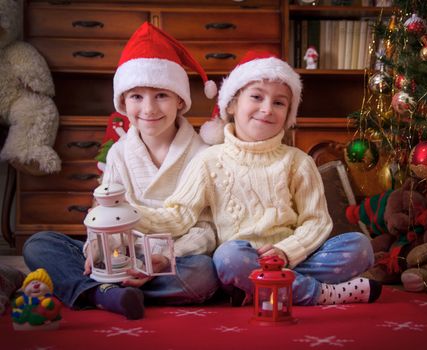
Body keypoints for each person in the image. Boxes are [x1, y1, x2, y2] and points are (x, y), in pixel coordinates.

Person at [133, 50, 380, 306]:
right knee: (226, 257)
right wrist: (132, 215)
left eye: (279, 102)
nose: (266, 109)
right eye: (256, 97)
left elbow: (316, 221)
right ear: (231, 104)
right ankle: (320, 294)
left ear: (288, 113)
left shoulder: (298, 162)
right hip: (244, 258)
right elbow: (179, 214)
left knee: (359, 246)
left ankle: (262, 290)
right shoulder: (209, 161)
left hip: (294, 257)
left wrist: (287, 251)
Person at [23, 22, 220, 320]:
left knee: (203, 275)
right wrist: (95, 251)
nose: (149, 108)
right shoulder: (118, 152)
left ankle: (99, 291)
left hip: (172, 258)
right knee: (40, 244)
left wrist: (158, 261)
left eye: (161, 96)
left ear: (180, 99)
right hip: (120, 254)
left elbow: (208, 230)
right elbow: (104, 214)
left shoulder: (202, 154)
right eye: (137, 97)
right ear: (123, 102)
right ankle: (105, 290)